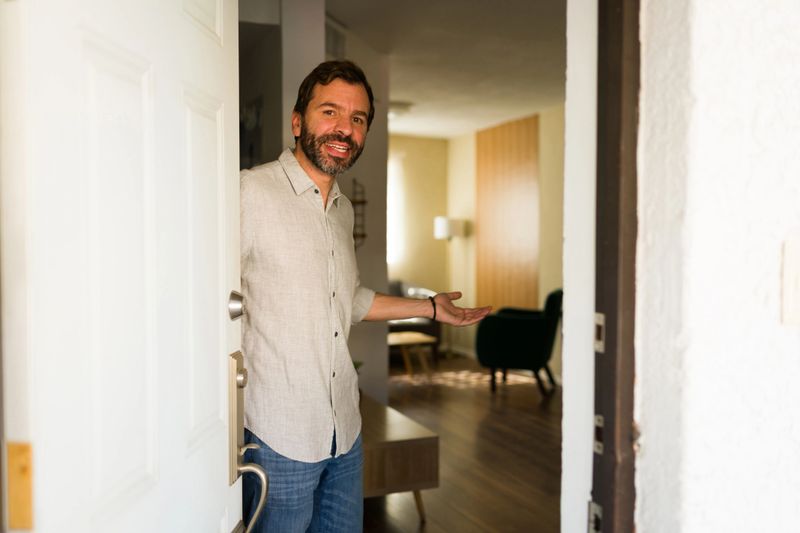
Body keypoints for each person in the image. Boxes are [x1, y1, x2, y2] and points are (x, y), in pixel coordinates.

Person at [240, 59, 490, 533]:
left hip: (345, 431)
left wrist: (430, 308)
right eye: (330, 111)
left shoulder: (340, 209)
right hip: (278, 435)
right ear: (298, 122)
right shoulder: (250, 192)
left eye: (358, 119)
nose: (344, 128)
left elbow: (347, 299)